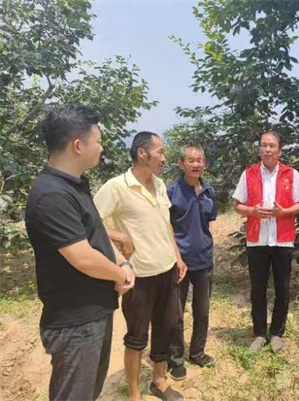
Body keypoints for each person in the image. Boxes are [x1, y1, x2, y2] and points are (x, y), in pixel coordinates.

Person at [25, 104, 135, 401]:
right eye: (98, 141)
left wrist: (122, 262)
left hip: (93, 313)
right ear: (77, 145)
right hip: (75, 323)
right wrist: (120, 274)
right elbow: (83, 257)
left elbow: (95, 231)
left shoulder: (74, 186)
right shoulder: (51, 195)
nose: (101, 147)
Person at [94, 132, 187, 401]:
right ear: (142, 153)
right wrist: (120, 237)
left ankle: (159, 380)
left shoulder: (159, 184)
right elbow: (89, 222)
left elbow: (166, 225)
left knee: (166, 328)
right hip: (139, 276)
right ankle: (134, 393)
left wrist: (177, 257)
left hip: (167, 270)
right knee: (136, 337)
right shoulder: (116, 187)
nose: (164, 158)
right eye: (160, 151)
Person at [233, 130, 299, 353]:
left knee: (282, 288)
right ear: (259, 149)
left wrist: (284, 212)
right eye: (263, 145)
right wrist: (252, 211)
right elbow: (237, 205)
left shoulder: (291, 174)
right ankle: (259, 333)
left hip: (282, 239)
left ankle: (276, 333)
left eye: (272, 146)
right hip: (257, 239)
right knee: (257, 288)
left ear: (279, 150)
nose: (267, 149)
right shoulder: (248, 174)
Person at [167, 145, 217, 380]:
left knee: (202, 311)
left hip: (204, 260)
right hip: (179, 262)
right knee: (176, 313)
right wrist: (176, 257)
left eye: (199, 160)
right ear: (181, 163)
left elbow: (208, 221)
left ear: (204, 164)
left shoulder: (209, 191)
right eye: (190, 160)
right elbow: (166, 226)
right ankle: (175, 359)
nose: (195, 164)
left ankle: (197, 353)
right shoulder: (171, 192)